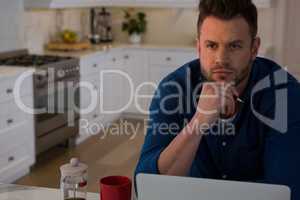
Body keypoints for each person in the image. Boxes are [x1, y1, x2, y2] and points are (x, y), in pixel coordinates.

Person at [134, 0, 300, 199]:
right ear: (198, 48)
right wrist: (198, 123)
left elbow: (287, 190)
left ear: (254, 48)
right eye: (211, 45)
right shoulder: (173, 89)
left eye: (234, 46)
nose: (221, 58)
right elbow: (146, 182)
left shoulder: (283, 93)